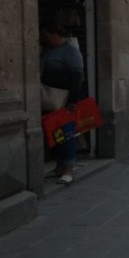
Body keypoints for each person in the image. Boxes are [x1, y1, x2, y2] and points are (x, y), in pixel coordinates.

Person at [40, 20, 84, 184]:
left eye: (46, 36)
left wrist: (73, 100)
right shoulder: (49, 50)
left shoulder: (70, 51)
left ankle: (68, 170)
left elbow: (77, 76)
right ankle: (59, 166)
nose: (44, 39)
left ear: (56, 34)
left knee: (66, 134)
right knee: (54, 134)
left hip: (64, 100)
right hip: (50, 99)